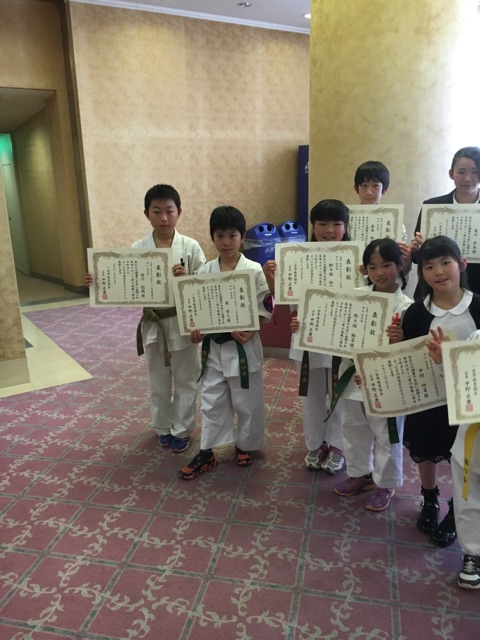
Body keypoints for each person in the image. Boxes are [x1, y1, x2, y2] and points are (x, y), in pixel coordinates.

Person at [179, 205, 272, 480]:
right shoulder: (205, 271)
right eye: (220, 235)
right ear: (213, 237)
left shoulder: (253, 270)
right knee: (211, 401)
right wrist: (196, 330)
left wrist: (252, 329)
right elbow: (197, 310)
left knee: (247, 401)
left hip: (244, 347)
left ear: (242, 237)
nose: (226, 242)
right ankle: (207, 451)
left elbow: (265, 306)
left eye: (232, 235)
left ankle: (245, 445)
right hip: (214, 349)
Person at [402, 236, 480, 546]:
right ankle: (430, 497)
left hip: (470, 403)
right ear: (421, 273)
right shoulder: (417, 313)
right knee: (426, 447)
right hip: (429, 396)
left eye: (446, 262)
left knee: (464, 458)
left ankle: (456, 508)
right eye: (429, 266)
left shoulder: (477, 306)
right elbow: (406, 357)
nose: (439, 271)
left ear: (462, 264)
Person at [265, 199, 349, 474]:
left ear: (345, 227)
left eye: (336, 224)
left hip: (341, 340)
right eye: (322, 223)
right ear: (312, 227)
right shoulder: (298, 257)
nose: (329, 230)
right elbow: (284, 299)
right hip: (308, 337)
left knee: (339, 395)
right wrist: (273, 278)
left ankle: (337, 446)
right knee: (311, 396)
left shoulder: (355, 260)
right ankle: (315, 444)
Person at [120, 184, 205, 451]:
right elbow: (125, 283)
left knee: (186, 379)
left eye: (169, 211)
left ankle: (182, 429)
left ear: (179, 212)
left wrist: (188, 279)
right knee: (158, 381)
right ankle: (163, 427)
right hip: (154, 323)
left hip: (184, 322)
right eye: (157, 211)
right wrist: (98, 281)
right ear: (147, 214)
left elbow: (205, 286)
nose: (164, 218)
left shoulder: (190, 247)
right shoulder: (139, 248)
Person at [333, 238, 412, 511]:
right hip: (352, 374)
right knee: (352, 425)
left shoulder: (407, 307)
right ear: (365, 269)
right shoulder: (354, 296)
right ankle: (359, 474)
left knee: (386, 432)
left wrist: (401, 338)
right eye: (372, 266)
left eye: (386, 265)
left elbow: (412, 351)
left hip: (386, 381)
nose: (379, 272)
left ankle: (385, 483)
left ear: (399, 266)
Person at [427, 326, 480, 589]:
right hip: (471, 437)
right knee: (467, 498)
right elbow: (458, 383)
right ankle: (472, 553)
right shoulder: (477, 338)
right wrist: (442, 361)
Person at [411, 146, 480, 296]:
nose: (468, 178)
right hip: (435, 288)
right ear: (451, 173)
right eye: (461, 172)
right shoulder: (432, 206)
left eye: (475, 172)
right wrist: (416, 250)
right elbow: (417, 258)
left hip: (477, 286)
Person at [353, 160, 411, 273]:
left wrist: (407, 259)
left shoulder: (395, 223)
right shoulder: (346, 221)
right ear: (356, 188)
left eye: (376, 186)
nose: (369, 192)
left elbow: (403, 268)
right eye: (364, 185)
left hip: (385, 281)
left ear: (384, 189)